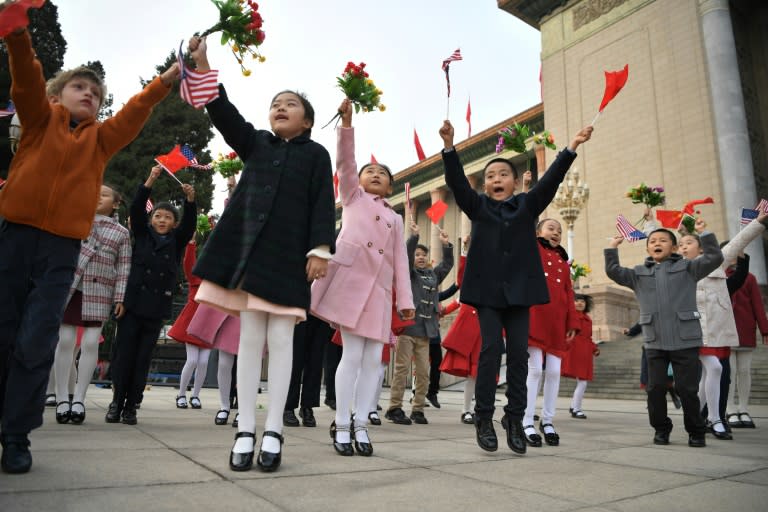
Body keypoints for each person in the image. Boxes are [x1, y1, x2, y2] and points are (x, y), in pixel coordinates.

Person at [0, 18, 177, 473]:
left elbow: (135, 113)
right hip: (15, 236)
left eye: (96, 94)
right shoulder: (39, 120)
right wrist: (17, 32)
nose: (89, 95)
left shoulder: (100, 140)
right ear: (57, 96)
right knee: (2, 329)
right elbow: (26, 77)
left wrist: (165, 82)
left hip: (62, 249)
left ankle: (16, 434)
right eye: (79, 87)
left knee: (37, 337)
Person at [187, 36, 336, 473]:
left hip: (291, 258)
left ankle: (275, 428)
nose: (281, 107)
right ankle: (246, 427)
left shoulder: (316, 155)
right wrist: (204, 63)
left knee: (281, 341)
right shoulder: (256, 144)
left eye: (291, 104)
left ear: (307, 121)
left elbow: (322, 204)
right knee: (250, 339)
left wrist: (321, 248)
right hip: (251, 254)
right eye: (276, 103)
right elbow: (223, 112)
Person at [440, 119, 593, 454]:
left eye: (503, 175)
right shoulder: (477, 205)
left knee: (521, 357)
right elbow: (456, 182)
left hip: (521, 293)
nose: (497, 179)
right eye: (491, 176)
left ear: (514, 182)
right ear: (485, 183)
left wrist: (571, 148)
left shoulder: (527, 205)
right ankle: (483, 417)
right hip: (488, 294)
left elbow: (551, 181)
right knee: (491, 351)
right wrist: (450, 148)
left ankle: (514, 417)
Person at [310, 98, 414, 456]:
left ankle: (361, 423)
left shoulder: (395, 219)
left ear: (389, 189)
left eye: (382, 174)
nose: (374, 175)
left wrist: (406, 302)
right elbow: (345, 161)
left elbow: (401, 260)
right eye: (370, 171)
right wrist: (347, 123)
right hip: (352, 284)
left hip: (381, 295)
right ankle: (341, 423)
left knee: (373, 362)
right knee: (351, 357)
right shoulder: (352, 197)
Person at [605, 227, 723, 447]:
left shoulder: (689, 268)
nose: (656, 243)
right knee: (655, 389)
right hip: (654, 341)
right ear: (648, 248)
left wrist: (704, 232)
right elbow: (614, 271)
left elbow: (715, 257)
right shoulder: (638, 273)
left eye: (663, 240)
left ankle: (696, 431)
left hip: (685, 339)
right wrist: (612, 248)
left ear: (675, 247)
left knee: (687, 390)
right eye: (652, 241)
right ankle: (661, 429)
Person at [106, 166, 196, 425]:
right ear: (151, 219)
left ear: (173, 223)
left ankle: (132, 405)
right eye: (158, 215)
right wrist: (151, 180)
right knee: (123, 355)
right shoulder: (142, 236)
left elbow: (189, 226)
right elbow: (135, 208)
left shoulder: (176, 242)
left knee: (143, 357)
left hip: (156, 308)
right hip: (132, 306)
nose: (162, 220)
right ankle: (116, 401)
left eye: (167, 217)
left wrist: (190, 200)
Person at [677, 213, 765, 440]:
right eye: (681, 245)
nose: (684, 247)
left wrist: (759, 221)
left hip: (716, 331)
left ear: (702, 248)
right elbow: (657, 244)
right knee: (714, 369)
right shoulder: (677, 269)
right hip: (693, 330)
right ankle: (715, 418)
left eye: (689, 243)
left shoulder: (717, 262)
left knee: (710, 373)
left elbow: (739, 242)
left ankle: (696, 415)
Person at [52, 184, 131, 425]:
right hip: (71, 287)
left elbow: (124, 268)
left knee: (89, 344)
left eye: (104, 195)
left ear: (115, 203)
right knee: (65, 341)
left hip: (99, 291)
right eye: (94, 192)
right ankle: (61, 397)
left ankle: (80, 399)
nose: (98, 197)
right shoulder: (76, 220)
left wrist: (120, 297)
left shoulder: (121, 233)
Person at [385, 221, 453, 426]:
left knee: (424, 372)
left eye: (424, 255)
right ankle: (394, 407)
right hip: (408, 328)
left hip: (426, 331)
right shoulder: (409, 274)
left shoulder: (433, 275)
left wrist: (446, 245)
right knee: (401, 369)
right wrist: (413, 237)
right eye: (417, 255)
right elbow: (405, 257)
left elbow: (447, 265)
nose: (420, 257)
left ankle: (418, 408)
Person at [523, 218, 579, 447]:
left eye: (559, 230)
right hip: (535, 319)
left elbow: (569, 295)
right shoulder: (532, 249)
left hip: (557, 324)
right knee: (535, 370)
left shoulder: (564, 263)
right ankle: (526, 420)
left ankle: (547, 421)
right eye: (550, 229)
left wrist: (572, 324)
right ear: (538, 232)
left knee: (554, 372)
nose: (555, 233)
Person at [168, 231, 213, 411]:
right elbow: (188, 264)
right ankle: (181, 394)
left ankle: (195, 395)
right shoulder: (196, 278)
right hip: (192, 324)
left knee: (203, 363)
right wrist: (191, 244)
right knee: (193, 360)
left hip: (209, 325)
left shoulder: (217, 282)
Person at [726, 254, 768, 428]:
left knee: (744, 371)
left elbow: (758, 304)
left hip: (745, 329)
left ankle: (743, 409)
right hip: (725, 331)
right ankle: (730, 409)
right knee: (730, 372)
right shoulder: (718, 275)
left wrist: (765, 330)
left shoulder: (750, 278)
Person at [282, 313, 334, 428]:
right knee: (295, 359)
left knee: (315, 360)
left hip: (321, 310)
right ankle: (288, 406)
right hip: (299, 305)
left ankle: (307, 406)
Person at [561, 294, 600, 419]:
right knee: (581, 382)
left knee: (582, 382)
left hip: (585, 354)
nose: (579, 303)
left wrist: (594, 349)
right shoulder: (570, 317)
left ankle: (575, 407)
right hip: (573, 351)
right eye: (576, 301)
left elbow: (588, 337)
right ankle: (576, 408)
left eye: (582, 301)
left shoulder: (588, 319)